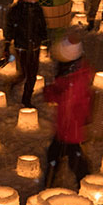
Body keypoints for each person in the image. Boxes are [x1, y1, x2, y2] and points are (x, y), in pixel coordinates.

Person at [40, 30, 93, 192]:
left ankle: (86, 186)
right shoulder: (74, 72)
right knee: (64, 157)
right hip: (68, 126)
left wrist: (50, 93)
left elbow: (64, 99)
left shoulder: (74, 80)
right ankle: (83, 183)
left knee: (71, 160)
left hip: (70, 128)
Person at [0, 0, 49, 108]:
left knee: (32, 74)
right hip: (22, 46)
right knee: (24, 73)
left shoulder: (38, 10)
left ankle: (26, 99)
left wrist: (45, 40)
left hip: (35, 46)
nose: (34, 2)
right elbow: (10, 28)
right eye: (31, 0)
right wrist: (7, 44)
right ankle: (11, 85)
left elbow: (42, 26)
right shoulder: (16, 10)